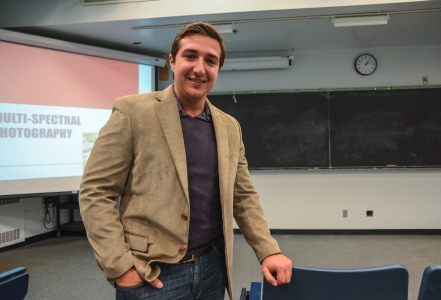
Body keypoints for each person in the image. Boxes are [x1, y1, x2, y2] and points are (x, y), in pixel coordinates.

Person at [79, 21, 292, 300]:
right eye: (190, 56)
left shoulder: (229, 127)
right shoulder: (133, 112)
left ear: (218, 69)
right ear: (172, 60)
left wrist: (269, 249)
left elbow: (243, 196)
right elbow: (96, 192)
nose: (199, 68)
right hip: (151, 274)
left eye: (210, 61)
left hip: (213, 268)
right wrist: (120, 266)